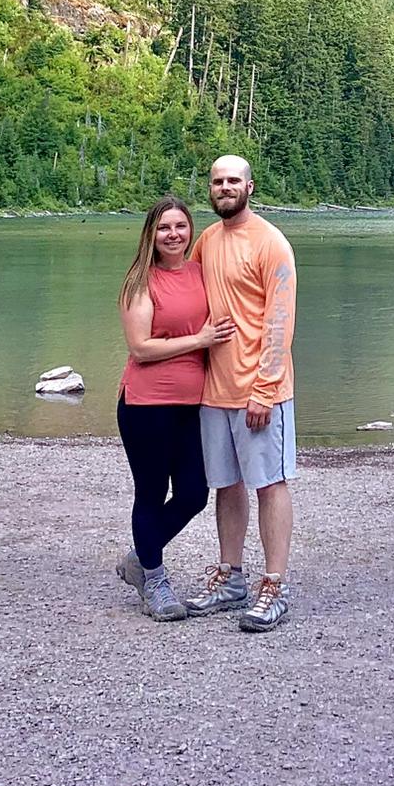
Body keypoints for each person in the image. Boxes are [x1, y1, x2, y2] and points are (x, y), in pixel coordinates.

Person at [184, 154, 298, 633]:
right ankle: (230, 576)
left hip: (260, 392)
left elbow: (279, 322)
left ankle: (274, 584)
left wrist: (265, 390)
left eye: (233, 180)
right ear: (210, 189)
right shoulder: (207, 242)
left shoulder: (272, 244)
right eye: (217, 181)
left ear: (250, 187)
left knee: (269, 483)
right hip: (214, 391)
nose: (225, 187)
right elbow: (187, 299)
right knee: (226, 485)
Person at [114, 195, 233, 621]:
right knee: (150, 493)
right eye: (164, 227)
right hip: (146, 404)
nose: (173, 234)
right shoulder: (140, 282)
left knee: (193, 494)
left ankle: (138, 558)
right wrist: (199, 342)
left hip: (192, 405)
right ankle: (156, 581)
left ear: (190, 231)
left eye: (180, 226)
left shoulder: (201, 274)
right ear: (151, 233)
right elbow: (141, 348)